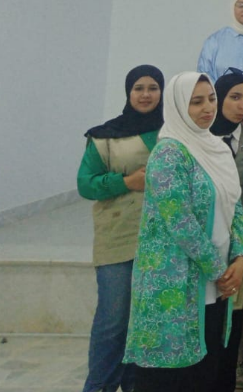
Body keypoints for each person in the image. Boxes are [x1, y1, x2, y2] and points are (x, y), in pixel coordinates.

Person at [124, 73, 243, 392]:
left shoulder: (217, 149)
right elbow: (180, 223)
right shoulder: (169, 154)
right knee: (172, 377)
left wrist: (241, 257)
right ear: (178, 106)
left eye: (211, 99)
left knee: (207, 372)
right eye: (196, 102)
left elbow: (234, 204)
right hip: (176, 285)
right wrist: (220, 271)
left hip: (217, 285)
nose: (208, 108)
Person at [77, 63, 165, 392]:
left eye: (153, 88)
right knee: (113, 320)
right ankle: (99, 386)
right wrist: (126, 182)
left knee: (145, 322)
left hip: (160, 240)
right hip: (118, 237)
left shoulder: (173, 132)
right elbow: (86, 184)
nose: (146, 95)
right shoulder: (104, 137)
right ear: (128, 92)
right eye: (139, 88)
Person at [210, 68, 243, 392]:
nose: (242, 106)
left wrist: (242, 236)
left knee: (233, 317)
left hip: (238, 239)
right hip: (203, 238)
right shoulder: (201, 136)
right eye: (235, 97)